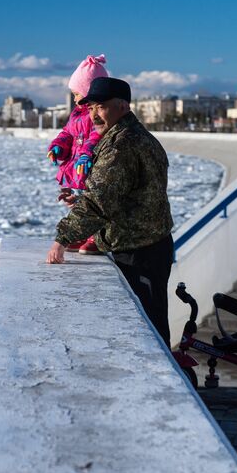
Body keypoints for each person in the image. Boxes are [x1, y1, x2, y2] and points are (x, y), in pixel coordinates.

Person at [46, 77, 174, 346]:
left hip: (139, 252)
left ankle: (159, 385)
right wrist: (82, 202)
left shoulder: (121, 145)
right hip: (146, 246)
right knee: (152, 323)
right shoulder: (132, 135)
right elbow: (120, 195)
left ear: (123, 106)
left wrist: (62, 238)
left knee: (148, 332)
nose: (93, 115)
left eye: (101, 107)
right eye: (90, 107)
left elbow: (100, 201)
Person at [46, 54, 109, 255]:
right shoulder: (76, 113)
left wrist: (86, 155)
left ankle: (94, 238)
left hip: (86, 166)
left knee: (90, 202)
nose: (74, 98)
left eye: (76, 93)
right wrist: (58, 146)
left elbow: (96, 135)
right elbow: (67, 133)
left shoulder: (96, 113)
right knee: (78, 201)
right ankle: (81, 235)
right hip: (76, 167)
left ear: (88, 90)